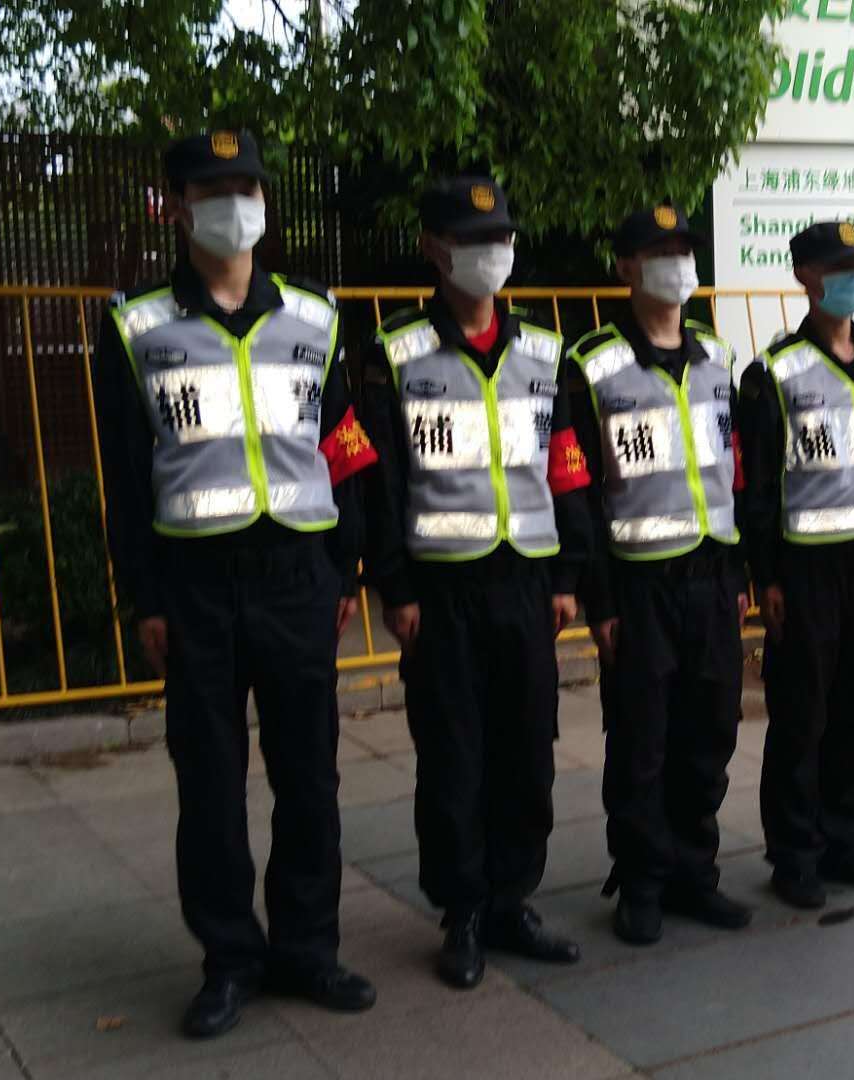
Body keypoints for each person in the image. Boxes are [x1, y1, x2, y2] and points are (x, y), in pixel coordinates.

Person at [94, 130, 376, 1038]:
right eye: (212, 191)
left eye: (245, 188)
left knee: (310, 776)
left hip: (298, 573)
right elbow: (124, 476)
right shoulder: (137, 327)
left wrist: (346, 564)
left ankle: (308, 948)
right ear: (177, 208)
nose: (232, 205)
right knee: (210, 785)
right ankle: (229, 960)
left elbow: (345, 446)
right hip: (196, 583)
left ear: (264, 201)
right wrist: (143, 596)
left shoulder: (315, 317)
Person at [360, 174, 588, 988]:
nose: (492, 253)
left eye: (501, 239)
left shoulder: (543, 353)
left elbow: (565, 469)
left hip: (525, 582)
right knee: (454, 754)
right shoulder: (393, 354)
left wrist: (566, 573)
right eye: (472, 239)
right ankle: (461, 910)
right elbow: (379, 481)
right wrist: (395, 587)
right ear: (433, 248)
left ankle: (510, 901)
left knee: (527, 749)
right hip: (442, 591)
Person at [567, 204, 752, 945]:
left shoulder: (716, 358)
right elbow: (580, 491)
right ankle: (641, 881)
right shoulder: (593, 364)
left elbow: (733, 471)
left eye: (684, 252)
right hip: (638, 584)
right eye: (659, 253)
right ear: (625, 267)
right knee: (641, 741)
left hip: (712, 577)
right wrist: (600, 601)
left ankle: (693, 873)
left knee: (710, 733)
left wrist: (740, 572)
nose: (677, 265)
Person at [738, 220, 854, 909]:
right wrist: (766, 576)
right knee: (802, 715)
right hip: (808, 570)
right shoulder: (774, 373)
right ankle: (794, 853)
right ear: (804, 277)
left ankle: (845, 839)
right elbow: (757, 488)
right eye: (840, 268)